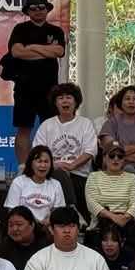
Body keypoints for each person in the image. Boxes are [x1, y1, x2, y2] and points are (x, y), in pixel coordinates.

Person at [5, 0, 65, 165]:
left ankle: (49, 166)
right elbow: (17, 52)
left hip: (50, 89)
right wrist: (46, 50)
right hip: (24, 88)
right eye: (33, 8)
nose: (38, 11)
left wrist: (30, 48)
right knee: (24, 129)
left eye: (42, 7)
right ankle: (23, 167)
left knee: (51, 129)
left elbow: (59, 51)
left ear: (47, 9)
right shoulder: (20, 29)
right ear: (27, 11)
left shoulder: (56, 30)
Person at [33, 82, 98, 211]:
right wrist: (54, 165)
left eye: (68, 97)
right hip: (51, 172)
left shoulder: (85, 124)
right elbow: (38, 152)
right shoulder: (47, 125)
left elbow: (90, 151)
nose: (65, 101)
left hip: (79, 174)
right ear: (55, 103)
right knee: (59, 175)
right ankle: (72, 212)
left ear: (76, 102)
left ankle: (73, 214)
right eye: (60, 98)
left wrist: (71, 166)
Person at [98, 85, 135, 216]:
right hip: (113, 168)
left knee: (130, 171)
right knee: (128, 171)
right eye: (127, 99)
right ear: (121, 102)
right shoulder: (110, 123)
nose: (131, 102)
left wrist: (122, 154)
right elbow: (111, 150)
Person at [84, 140, 135, 244]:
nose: (116, 159)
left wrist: (124, 218)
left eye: (120, 156)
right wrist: (113, 217)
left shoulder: (133, 178)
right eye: (112, 155)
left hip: (126, 224)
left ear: (124, 159)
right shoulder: (93, 177)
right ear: (104, 157)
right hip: (100, 224)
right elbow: (92, 204)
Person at [5, 145, 66, 226]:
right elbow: (11, 211)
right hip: (24, 227)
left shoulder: (56, 184)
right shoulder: (19, 182)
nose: (43, 165)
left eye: (46, 162)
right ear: (31, 163)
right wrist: (33, 222)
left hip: (47, 227)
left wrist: (47, 221)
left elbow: (58, 211)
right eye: (39, 161)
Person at [0, 206, 49, 270]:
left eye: (19, 224)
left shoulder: (46, 246)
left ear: (32, 225)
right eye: (10, 225)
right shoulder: (3, 247)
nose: (14, 229)